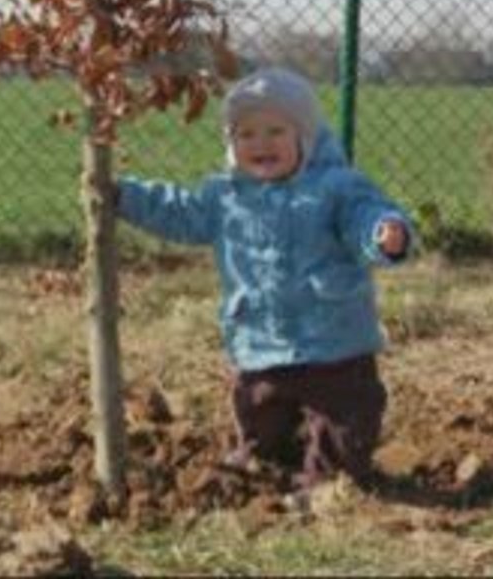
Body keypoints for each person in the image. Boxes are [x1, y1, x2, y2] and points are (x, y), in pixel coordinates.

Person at [116, 66, 417, 498]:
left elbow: (364, 216)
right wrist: (124, 196)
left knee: (341, 423)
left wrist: (384, 234)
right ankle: (265, 466)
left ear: (306, 138)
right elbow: (178, 211)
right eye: (247, 134)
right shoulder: (224, 197)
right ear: (231, 144)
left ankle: (328, 484)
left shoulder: (335, 187)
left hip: (332, 343)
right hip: (260, 341)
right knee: (261, 416)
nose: (261, 144)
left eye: (276, 131)